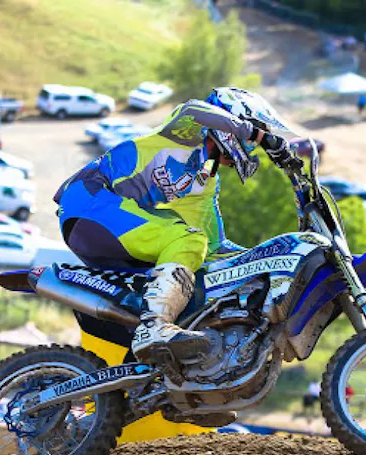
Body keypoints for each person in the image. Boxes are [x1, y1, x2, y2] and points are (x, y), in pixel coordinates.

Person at [54, 87, 301, 361]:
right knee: (186, 238)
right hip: (90, 200)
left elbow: (214, 246)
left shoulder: (203, 181)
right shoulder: (186, 131)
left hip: (107, 228)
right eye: (250, 141)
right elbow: (194, 109)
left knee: (193, 251)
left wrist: (267, 260)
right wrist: (261, 136)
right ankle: (154, 326)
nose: (251, 148)